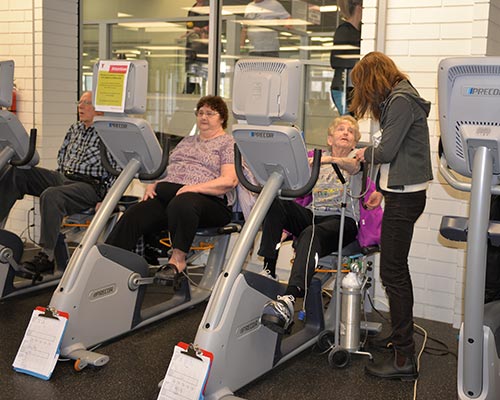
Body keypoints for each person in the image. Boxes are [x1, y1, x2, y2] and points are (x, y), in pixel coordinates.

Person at [259, 115, 382, 334]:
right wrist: (285, 230)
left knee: (311, 233)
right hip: (313, 215)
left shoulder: (357, 159)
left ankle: (289, 298)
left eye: (350, 132)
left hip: (344, 221)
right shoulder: (314, 159)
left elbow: (353, 167)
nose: (345, 133)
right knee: (276, 203)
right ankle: (268, 270)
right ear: (329, 138)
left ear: (355, 142)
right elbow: (297, 191)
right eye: (340, 130)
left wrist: (326, 161)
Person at [352, 52, 433, 381]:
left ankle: (404, 358)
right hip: (401, 193)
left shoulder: (400, 100)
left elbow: (386, 151)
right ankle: (400, 341)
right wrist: (381, 190)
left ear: (373, 79)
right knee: (396, 272)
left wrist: (361, 153)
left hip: (406, 198)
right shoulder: (403, 97)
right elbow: (403, 154)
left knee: (394, 274)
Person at [105, 95, 238, 288]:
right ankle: (108, 262)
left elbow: (229, 180)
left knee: (182, 202)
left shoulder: (227, 143)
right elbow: (169, 168)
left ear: (222, 118)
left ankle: (178, 261)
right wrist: (154, 183)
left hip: (210, 202)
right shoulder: (187, 141)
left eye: (210, 113)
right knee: (136, 212)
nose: (204, 117)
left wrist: (193, 188)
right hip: (172, 199)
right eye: (200, 112)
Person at [0, 91, 116, 274]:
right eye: (80, 102)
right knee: (18, 172)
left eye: (86, 103)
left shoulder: (108, 134)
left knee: (52, 194)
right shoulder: (75, 128)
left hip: (90, 186)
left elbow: (117, 169)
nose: (81, 106)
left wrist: (109, 198)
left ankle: (47, 256)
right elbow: (62, 158)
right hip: (64, 178)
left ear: (99, 110)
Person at [330, 0, 363, 115]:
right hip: (342, 87)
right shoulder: (344, 30)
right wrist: (360, 61)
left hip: (354, 87)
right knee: (348, 123)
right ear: (358, 7)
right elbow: (335, 60)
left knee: (354, 123)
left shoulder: (361, 32)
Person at [184, 0, 209, 94]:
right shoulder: (192, 9)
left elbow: (213, 26)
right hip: (192, 48)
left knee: (202, 74)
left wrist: (202, 31)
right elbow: (189, 26)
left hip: (204, 49)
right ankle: (189, 93)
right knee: (191, 74)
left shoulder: (210, 7)